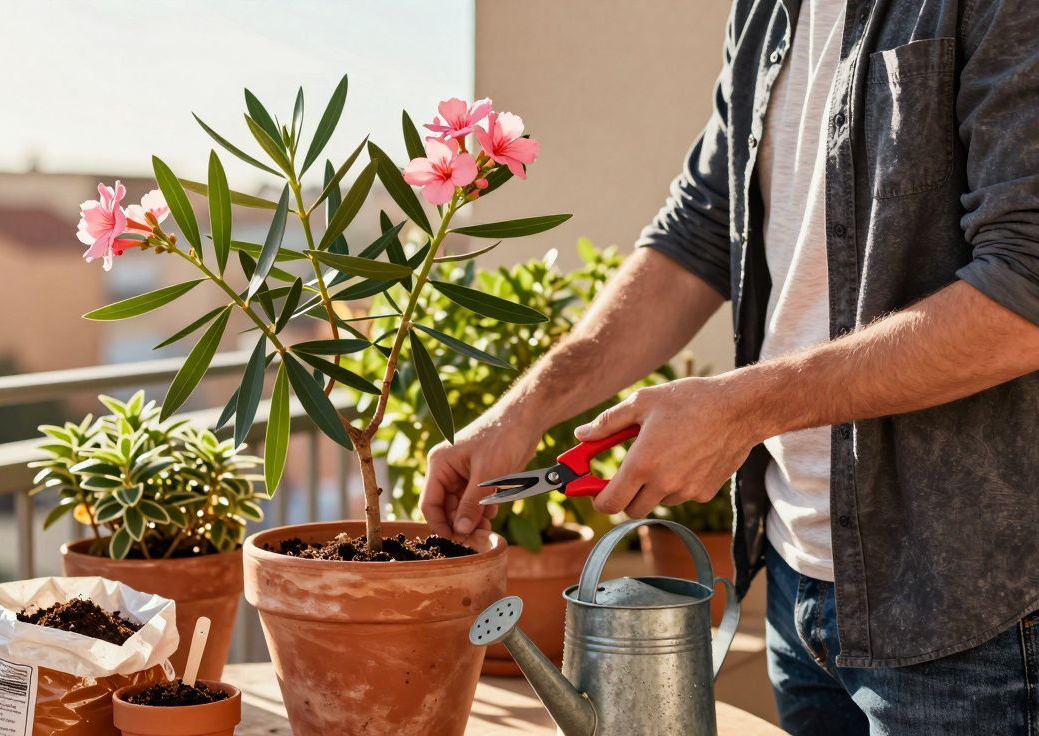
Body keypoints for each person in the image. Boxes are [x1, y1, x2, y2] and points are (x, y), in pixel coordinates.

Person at [421, 1, 1039, 733]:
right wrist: (523, 410)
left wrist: (742, 408)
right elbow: (702, 230)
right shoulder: (767, 13)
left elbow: (1025, 289)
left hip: (971, 616)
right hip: (794, 578)